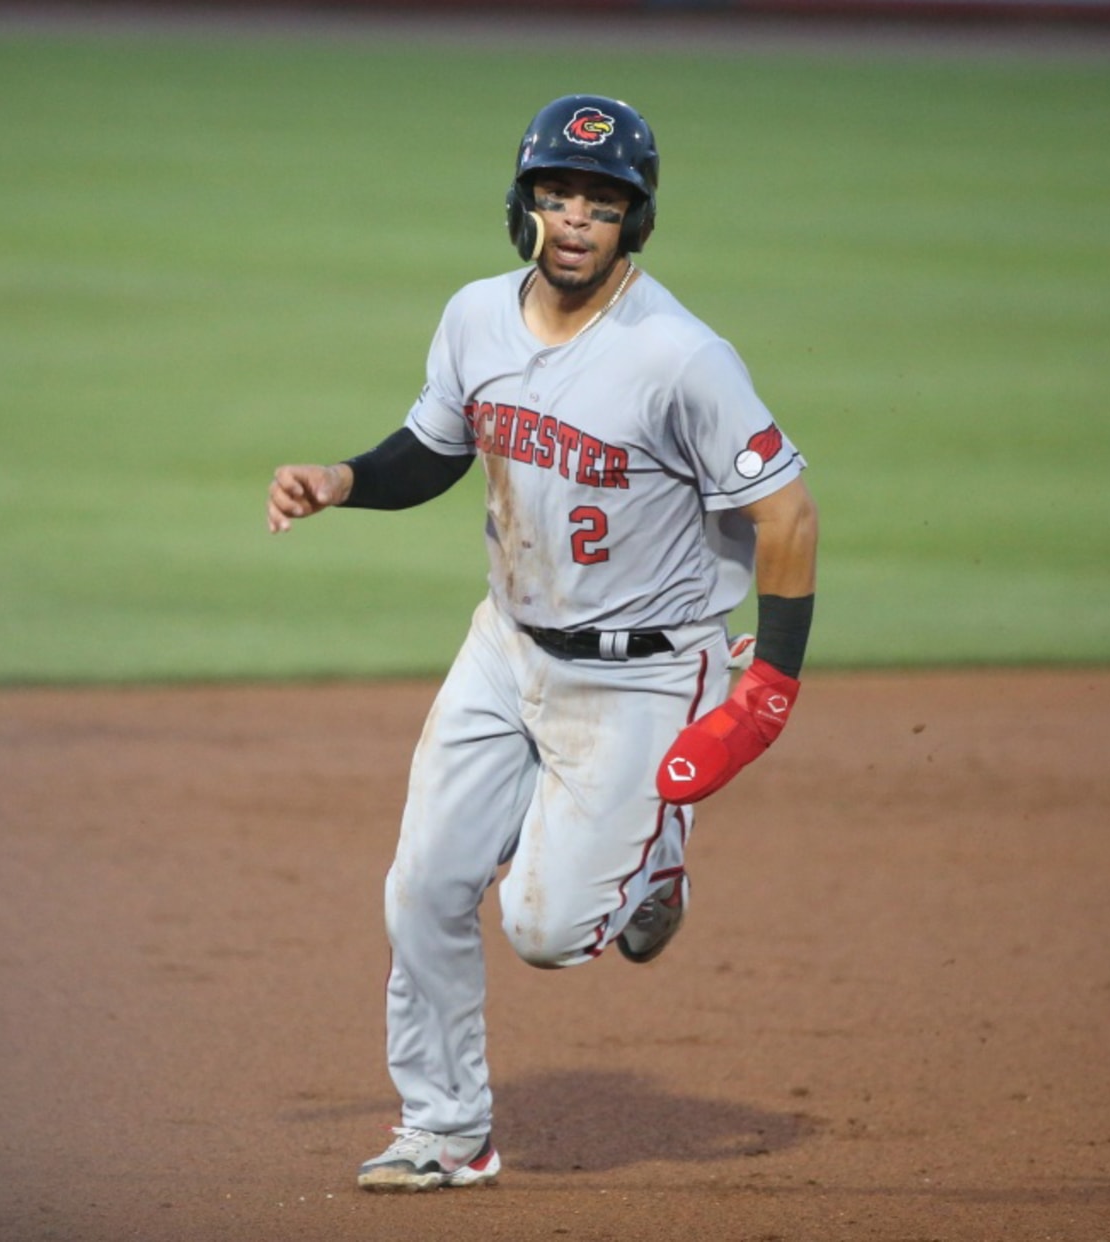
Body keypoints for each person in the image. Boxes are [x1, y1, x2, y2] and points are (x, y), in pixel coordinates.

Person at [265, 94, 819, 1193]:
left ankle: (655, 862)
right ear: (522, 207)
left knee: (547, 932)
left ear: (637, 222)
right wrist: (342, 481)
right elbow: (433, 450)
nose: (574, 219)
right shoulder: (475, 315)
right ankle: (445, 1128)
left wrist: (769, 687)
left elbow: (787, 514)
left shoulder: (679, 356)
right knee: (422, 886)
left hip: (650, 673)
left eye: (601, 202)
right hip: (506, 646)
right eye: (555, 196)